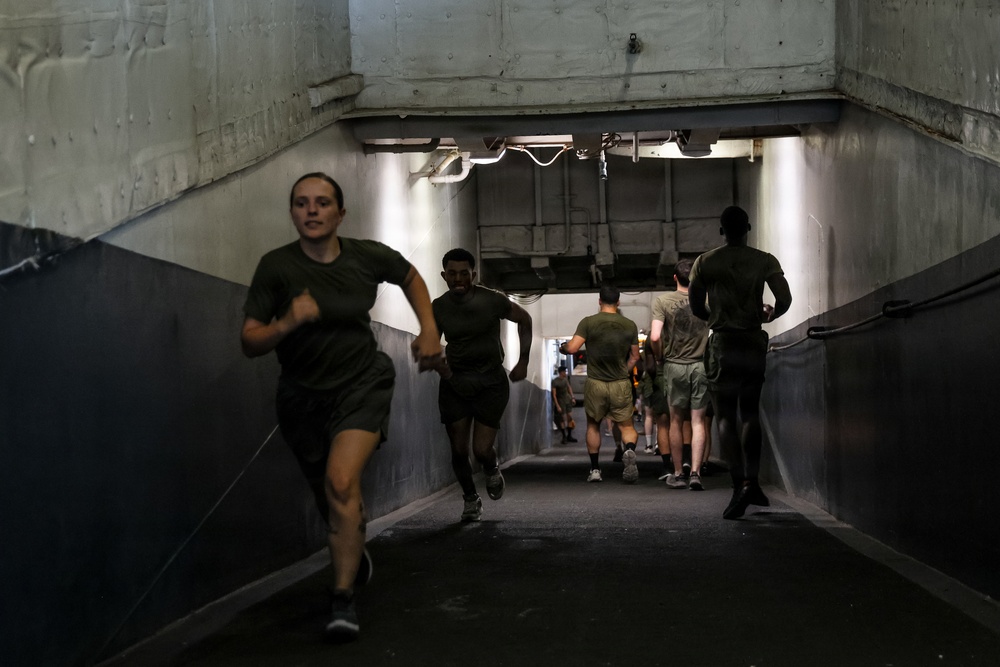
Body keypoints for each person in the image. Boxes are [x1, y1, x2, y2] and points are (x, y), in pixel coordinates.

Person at [240, 172, 443, 642]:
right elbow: (250, 340)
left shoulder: (365, 256)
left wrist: (429, 328)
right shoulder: (276, 268)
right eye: (301, 203)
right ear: (292, 212)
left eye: (322, 203)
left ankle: (342, 599)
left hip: (360, 383)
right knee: (329, 496)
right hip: (301, 398)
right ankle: (353, 543)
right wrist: (287, 322)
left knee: (340, 481)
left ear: (340, 213)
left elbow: (410, 276)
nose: (311, 210)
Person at [688, 205, 792, 519]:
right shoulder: (765, 260)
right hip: (751, 341)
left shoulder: (705, 262)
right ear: (748, 227)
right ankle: (753, 479)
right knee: (750, 413)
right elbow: (784, 299)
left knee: (724, 418)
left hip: (723, 344)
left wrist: (717, 318)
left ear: (722, 229)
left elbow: (696, 307)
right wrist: (771, 313)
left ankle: (739, 485)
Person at [432, 248, 533, 523]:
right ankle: (470, 499)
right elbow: (431, 342)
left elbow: (524, 319)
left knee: (480, 450)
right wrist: (442, 367)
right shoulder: (439, 307)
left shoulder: (492, 300)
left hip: (490, 382)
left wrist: (523, 361)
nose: (458, 279)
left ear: (473, 274)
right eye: (452, 274)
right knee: (458, 450)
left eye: (464, 273)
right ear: (444, 276)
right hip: (456, 382)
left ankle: (491, 467)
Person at [560, 285, 641, 483]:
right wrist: (624, 371)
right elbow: (635, 356)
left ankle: (595, 470)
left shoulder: (588, 322)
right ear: (619, 302)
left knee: (593, 426)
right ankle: (629, 451)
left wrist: (563, 349)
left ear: (599, 301)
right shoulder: (629, 325)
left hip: (596, 382)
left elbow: (572, 348)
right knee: (626, 426)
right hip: (620, 383)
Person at [650, 259, 711, 491]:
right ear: (695, 277)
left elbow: (655, 337)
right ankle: (695, 472)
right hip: (700, 366)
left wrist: (658, 358)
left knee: (675, 421)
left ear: (675, 278)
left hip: (674, 366)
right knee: (697, 421)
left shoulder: (663, 301)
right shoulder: (707, 300)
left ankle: (678, 473)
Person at [551, 365, 578, 444]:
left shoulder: (565, 380)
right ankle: (564, 436)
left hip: (567, 400)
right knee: (562, 419)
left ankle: (569, 435)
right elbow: (554, 395)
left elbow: (569, 388)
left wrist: (572, 397)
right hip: (561, 401)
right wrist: (557, 405)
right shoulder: (555, 381)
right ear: (561, 372)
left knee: (569, 417)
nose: (566, 373)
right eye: (564, 371)